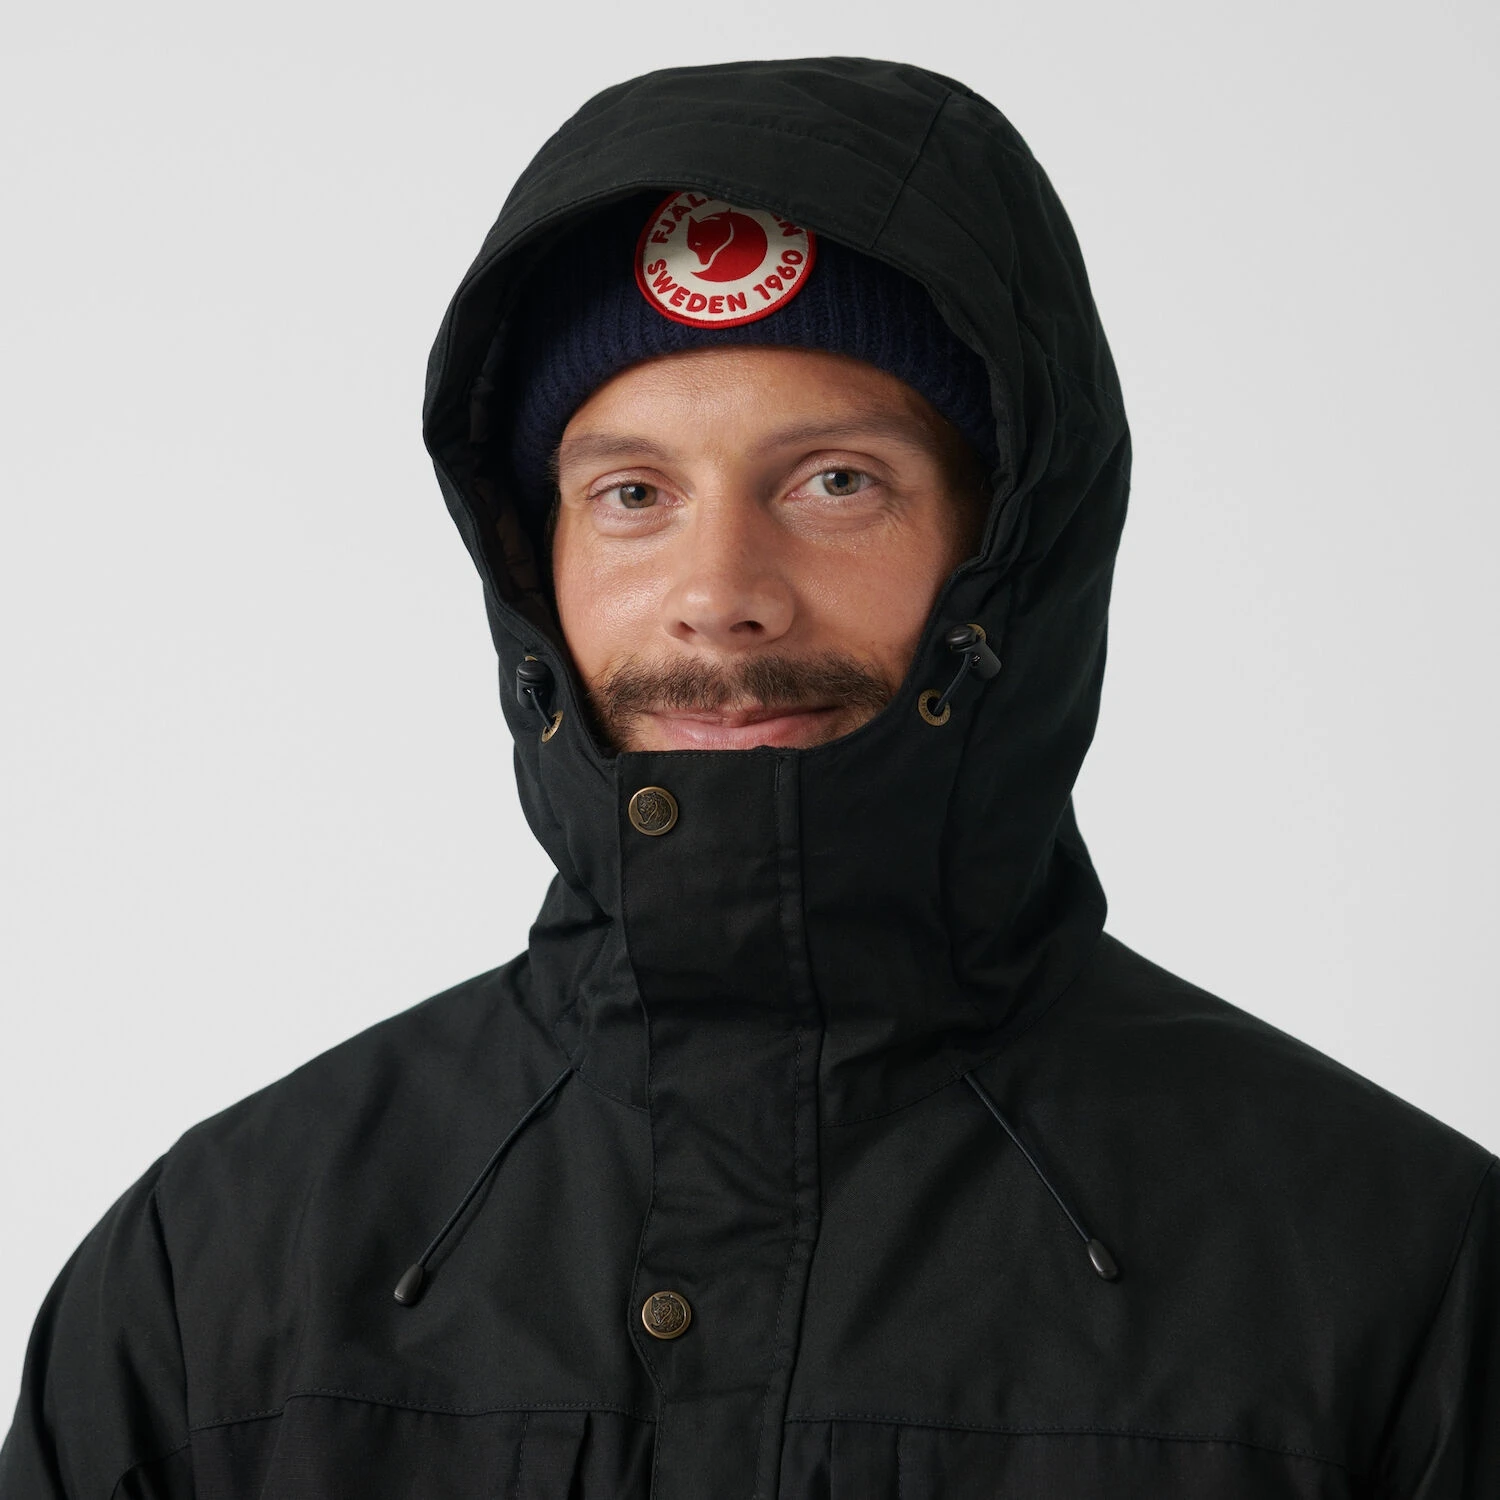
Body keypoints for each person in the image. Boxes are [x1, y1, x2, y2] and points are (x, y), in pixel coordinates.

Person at [2, 54, 1496, 1500]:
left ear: (1009, 553)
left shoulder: (1397, 1272)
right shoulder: (217, 1272)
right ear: (533, 556)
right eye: (633, 494)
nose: (721, 596)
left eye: (836, 481)